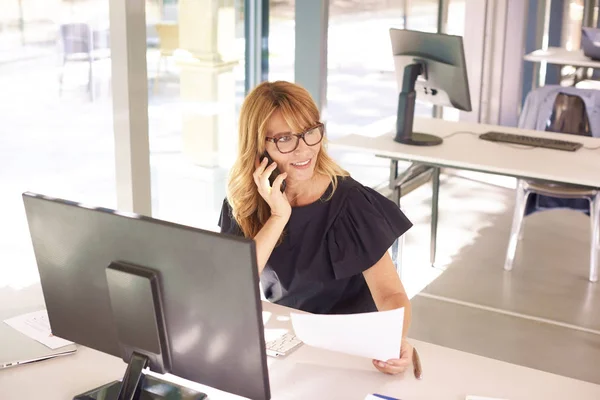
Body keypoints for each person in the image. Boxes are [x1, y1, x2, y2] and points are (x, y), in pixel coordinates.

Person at [219, 81, 414, 375]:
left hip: (353, 349)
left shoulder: (350, 203)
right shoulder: (243, 203)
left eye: (310, 132)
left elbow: (390, 294)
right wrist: (278, 217)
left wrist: (393, 342)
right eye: (285, 139)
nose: (304, 149)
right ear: (259, 146)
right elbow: (230, 288)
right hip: (289, 345)